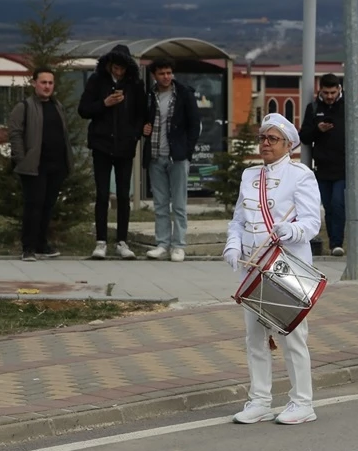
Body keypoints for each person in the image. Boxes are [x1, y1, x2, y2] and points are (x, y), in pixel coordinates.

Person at [222, 113, 322, 425]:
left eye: (272, 139)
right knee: (254, 337)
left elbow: (312, 223)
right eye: (263, 138)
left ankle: (302, 402)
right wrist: (232, 243)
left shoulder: (301, 175)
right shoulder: (249, 175)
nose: (265, 143)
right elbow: (239, 219)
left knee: (291, 336)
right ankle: (260, 400)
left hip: (285, 266)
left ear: (289, 145)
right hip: (253, 266)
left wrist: (291, 231)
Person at [78, 44, 147, 260]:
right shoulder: (96, 81)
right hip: (101, 145)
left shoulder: (135, 84)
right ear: (109, 64)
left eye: (122, 69)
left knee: (124, 195)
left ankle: (122, 242)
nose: (118, 72)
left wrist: (134, 135)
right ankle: (101, 242)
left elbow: (142, 113)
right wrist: (104, 103)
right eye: (115, 68)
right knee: (101, 194)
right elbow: (83, 109)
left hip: (125, 147)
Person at [8, 67, 75, 262]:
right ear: (34, 83)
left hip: (56, 166)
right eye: (43, 82)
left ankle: (41, 244)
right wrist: (22, 158)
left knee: (48, 206)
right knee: (33, 206)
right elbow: (15, 133)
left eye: (50, 83)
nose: (47, 86)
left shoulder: (57, 106)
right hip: (34, 166)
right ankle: (27, 247)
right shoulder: (24, 107)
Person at [141, 59, 200, 263]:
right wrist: (144, 128)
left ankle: (179, 245)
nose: (166, 77)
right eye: (161, 73)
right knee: (160, 203)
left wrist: (187, 151)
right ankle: (162, 244)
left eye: (169, 73)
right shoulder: (150, 95)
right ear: (154, 75)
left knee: (179, 203)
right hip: (156, 155)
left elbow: (195, 125)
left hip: (178, 157)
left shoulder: (184, 94)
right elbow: (143, 119)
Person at [299, 73, 347, 256]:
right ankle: (332, 242)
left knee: (338, 204)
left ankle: (337, 243)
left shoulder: (346, 107)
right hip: (322, 166)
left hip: (342, 168)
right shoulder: (313, 108)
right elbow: (304, 136)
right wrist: (318, 130)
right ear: (320, 90)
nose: (329, 96)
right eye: (326, 92)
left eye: (333, 92)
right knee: (327, 205)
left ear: (339, 90)